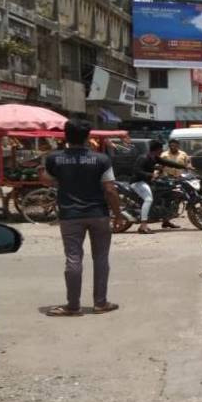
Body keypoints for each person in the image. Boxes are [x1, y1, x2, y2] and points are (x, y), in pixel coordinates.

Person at [40, 119, 124, 317]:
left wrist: (41, 165)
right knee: (101, 258)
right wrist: (118, 214)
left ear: (65, 136)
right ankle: (100, 303)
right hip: (99, 214)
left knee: (73, 258)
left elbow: (45, 180)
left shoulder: (54, 159)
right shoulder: (101, 159)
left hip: (70, 215)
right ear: (88, 137)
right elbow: (110, 190)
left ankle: (73, 306)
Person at [131, 140, 188, 234]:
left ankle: (166, 220)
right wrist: (151, 175)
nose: (163, 150)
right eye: (161, 148)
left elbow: (168, 162)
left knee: (167, 193)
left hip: (148, 182)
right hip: (138, 182)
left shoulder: (154, 157)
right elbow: (137, 171)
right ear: (158, 149)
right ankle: (143, 226)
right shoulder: (144, 157)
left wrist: (185, 167)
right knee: (148, 199)